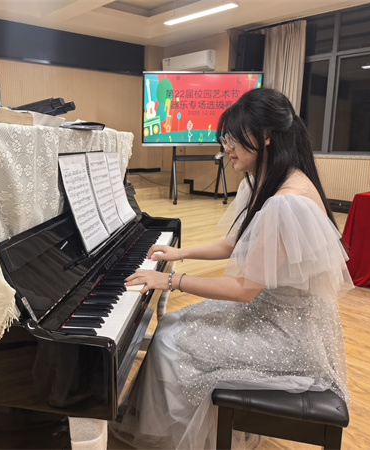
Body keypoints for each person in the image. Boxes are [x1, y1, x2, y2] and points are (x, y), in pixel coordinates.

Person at [110, 88, 353, 449]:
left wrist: (171, 279)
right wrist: (180, 252)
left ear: (266, 136)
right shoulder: (265, 181)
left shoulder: (286, 201)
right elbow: (232, 243)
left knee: (171, 343)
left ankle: (175, 439)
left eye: (233, 139)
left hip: (286, 333)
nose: (227, 148)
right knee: (173, 323)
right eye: (225, 139)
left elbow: (243, 289)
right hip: (269, 312)